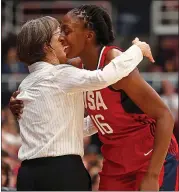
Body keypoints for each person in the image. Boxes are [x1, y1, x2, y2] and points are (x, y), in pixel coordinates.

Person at [10, 16, 153, 191]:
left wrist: (105, 116)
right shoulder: (60, 74)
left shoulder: (25, 84)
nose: (64, 40)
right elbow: (103, 77)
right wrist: (137, 50)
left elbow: (71, 129)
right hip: (62, 173)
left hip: (27, 175)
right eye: (58, 36)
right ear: (46, 47)